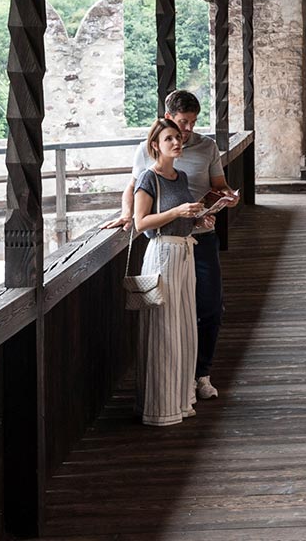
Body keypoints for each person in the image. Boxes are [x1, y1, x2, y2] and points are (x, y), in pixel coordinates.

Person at [103, 90, 240, 401]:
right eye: (182, 123)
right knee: (170, 315)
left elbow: (217, 186)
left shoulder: (205, 148)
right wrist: (126, 214)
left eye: (192, 122)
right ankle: (171, 383)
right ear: (167, 119)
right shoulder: (147, 152)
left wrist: (227, 198)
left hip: (200, 239)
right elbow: (136, 188)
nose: (187, 130)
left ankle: (201, 374)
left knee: (209, 307)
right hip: (165, 244)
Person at [132, 118, 205, 426]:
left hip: (185, 252)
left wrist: (201, 220)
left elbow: (181, 217)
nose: (177, 142)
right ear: (155, 146)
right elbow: (140, 223)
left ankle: (181, 401)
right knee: (164, 330)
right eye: (169, 139)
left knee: (185, 327)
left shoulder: (181, 175)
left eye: (178, 138)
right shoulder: (150, 178)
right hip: (162, 255)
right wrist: (177, 212)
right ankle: (161, 409)